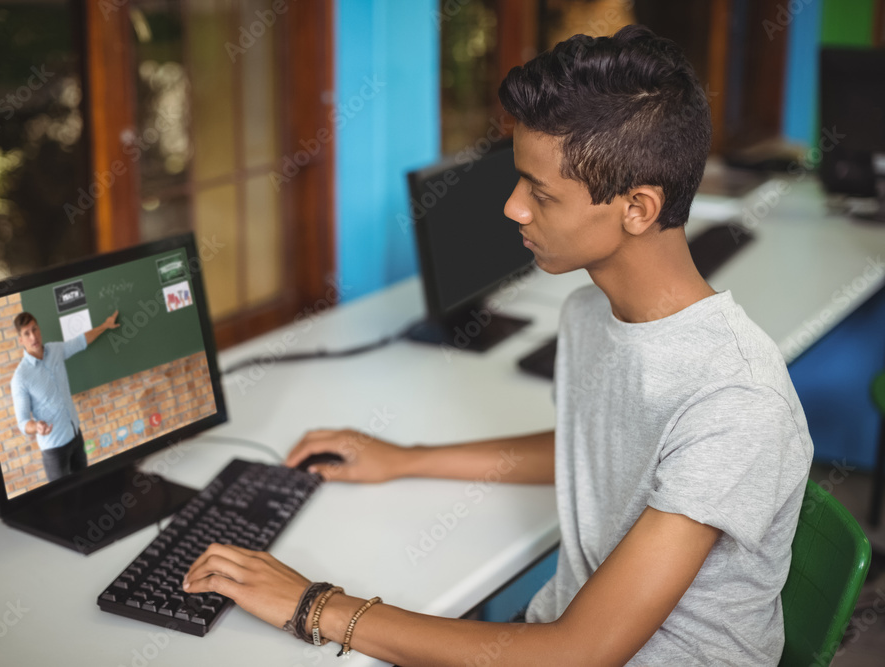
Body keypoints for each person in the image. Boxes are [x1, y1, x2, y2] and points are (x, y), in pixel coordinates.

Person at [183, 25, 813, 666]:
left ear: (640, 208)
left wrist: (315, 607)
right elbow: (600, 450)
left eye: (540, 193)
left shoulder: (735, 402)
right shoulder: (591, 313)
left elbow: (577, 655)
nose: (513, 208)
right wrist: (405, 458)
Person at [10, 310, 120, 483]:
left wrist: (105, 326)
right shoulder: (20, 377)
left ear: (39, 329)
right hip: (54, 449)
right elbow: (23, 423)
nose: (33, 336)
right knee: (64, 501)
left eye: (35, 329)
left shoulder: (55, 350)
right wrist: (36, 426)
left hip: (76, 436)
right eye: (27, 333)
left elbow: (80, 342)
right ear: (21, 340)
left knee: (86, 489)